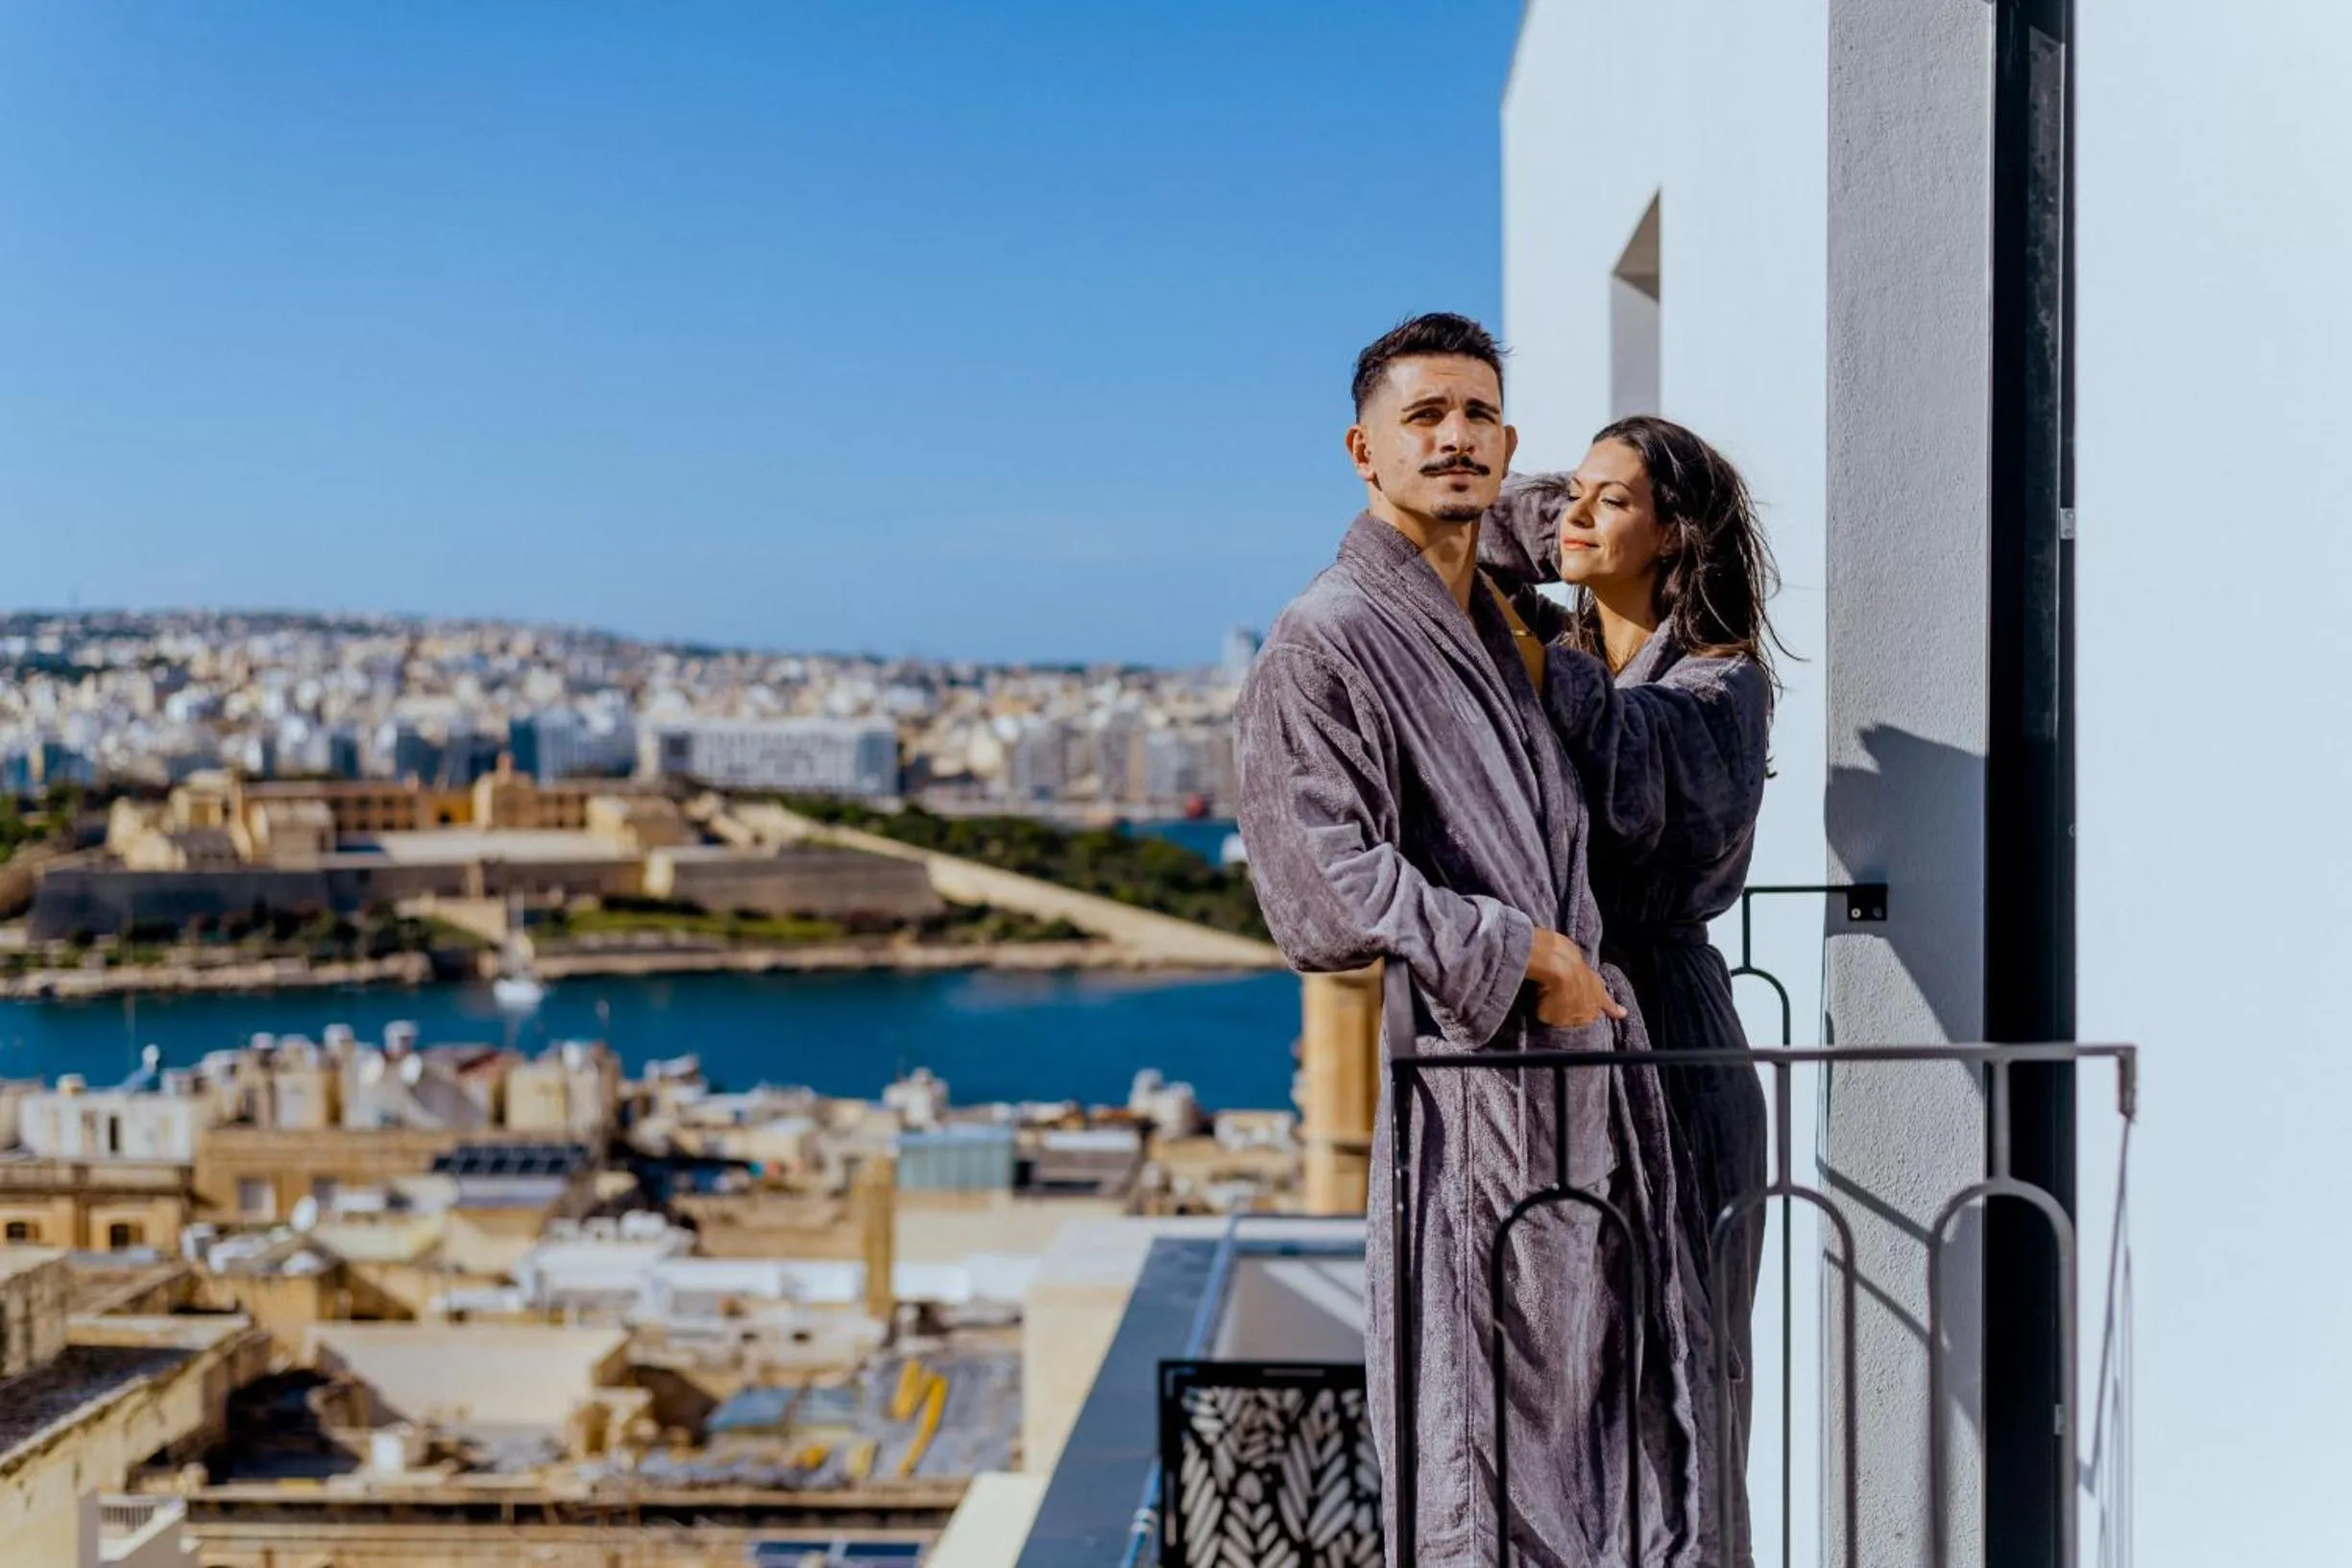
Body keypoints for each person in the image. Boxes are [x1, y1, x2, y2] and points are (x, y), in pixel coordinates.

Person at [1235, 317, 1722, 1567]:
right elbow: (1315, 880)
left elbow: (1542, 515)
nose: (1454, 438)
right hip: (1472, 1100)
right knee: (1483, 1449)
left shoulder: (1498, 616)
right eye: (1422, 417)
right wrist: (1524, 953)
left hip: (1581, 1100)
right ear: (1361, 449)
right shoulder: (1330, 633)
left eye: (1478, 416)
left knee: (1602, 1425)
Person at [1479, 416, 1782, 1554]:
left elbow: (1633, 783)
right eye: (1575, 491)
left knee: (1687, 1372)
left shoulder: (1719, 685)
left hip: (1670, 1035)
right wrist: (1565, 496)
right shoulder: (1567, 641)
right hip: (1569, 1040)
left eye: (1612, 501)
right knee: (1575, 1368)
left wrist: (1522, 645)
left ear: (1673, 534)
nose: (1573, 514)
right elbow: (1506, 520)